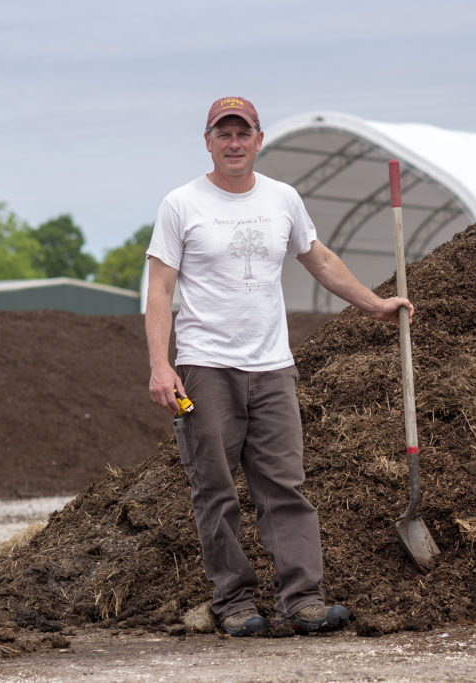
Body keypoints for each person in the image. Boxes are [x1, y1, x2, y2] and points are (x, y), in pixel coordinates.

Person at [144, 96, 412, 637]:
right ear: (208, 142)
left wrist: (374, 303)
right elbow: (160, 287)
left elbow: (321, 260)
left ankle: (303, 600)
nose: (234, 143)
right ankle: (234, 601)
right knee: (215, 488)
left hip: (272, 368)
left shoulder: (283, 199)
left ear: (259, 140)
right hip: (206, 366)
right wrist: (159, 365)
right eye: (224, 134)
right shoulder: (181, 204)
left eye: (244, 134)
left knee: (284, 485)